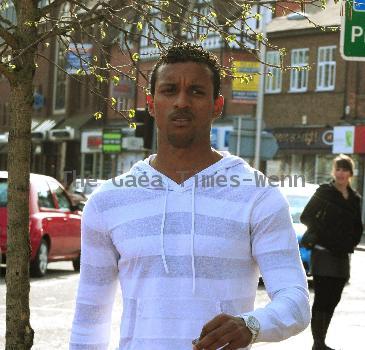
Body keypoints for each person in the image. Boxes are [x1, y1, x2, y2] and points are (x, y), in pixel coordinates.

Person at [69, 43, 310, 350]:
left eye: (196, 91)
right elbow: (90, 315)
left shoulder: (257, 195)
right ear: (151, 103)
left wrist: (251, 325)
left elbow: (296, 301)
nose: (181, 101)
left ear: (216, 105)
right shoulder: (108, 201)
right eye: (169, 90)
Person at [300, 154, 363, 350]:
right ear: (333, 172)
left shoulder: (354, 198)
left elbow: (357, 226)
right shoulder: (324, 192)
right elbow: (306, 216)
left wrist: (352, 242)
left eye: (345, 169)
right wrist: (323, 233)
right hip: (323, 252)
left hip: (342, 255)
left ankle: (321, 341)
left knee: (334, 299)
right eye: (338, 169)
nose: (341, 173)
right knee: (322, 297)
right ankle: (318, 343)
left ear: (351, 173)